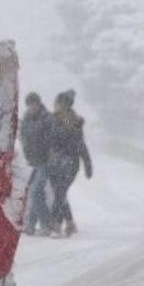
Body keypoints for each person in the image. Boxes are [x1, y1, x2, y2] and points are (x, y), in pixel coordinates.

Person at [48, 89, 92, 236]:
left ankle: (56, 224)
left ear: (66, 105)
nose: (57, 105)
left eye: (60, 103)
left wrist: (87, 164)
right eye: (57, 103)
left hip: (69, 163)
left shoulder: (70, 121)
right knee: (60, 194)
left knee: (60, 193)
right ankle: (70, 223)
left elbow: (79, 143)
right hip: (55, 162)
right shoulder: (55, 119)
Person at [20, 92, 53, 235]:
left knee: (36, 191)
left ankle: (46, 224)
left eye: (34, 104)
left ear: (39, 104)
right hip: (31, 162)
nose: (32, 107)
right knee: (33, 191)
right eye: (29, 104)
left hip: (46, 161)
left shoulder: (48, 118)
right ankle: (31, 225)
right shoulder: (26, 118)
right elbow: (23, 137)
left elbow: (53, 139)